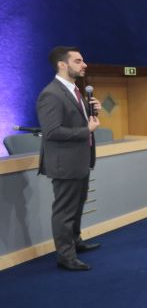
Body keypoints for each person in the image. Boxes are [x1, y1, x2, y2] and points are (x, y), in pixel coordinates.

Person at [36, 46, 101, 271]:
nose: (84, 64)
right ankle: (65, 256)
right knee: (64, 211)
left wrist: (93, 113)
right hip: (65, 164)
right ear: (62, 64)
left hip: (80, 161)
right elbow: (52, 132)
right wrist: (87, 130)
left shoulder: (75, 90)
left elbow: (78, 122)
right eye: (78, 61)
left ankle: (75, 242)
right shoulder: (51, 94)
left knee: (77, 206)